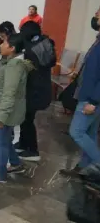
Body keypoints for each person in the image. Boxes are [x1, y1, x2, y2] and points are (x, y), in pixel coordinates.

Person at [0, 34, 33, 182]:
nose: (1, 45)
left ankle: (0, 173)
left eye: (4, 43)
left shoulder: (14, 67)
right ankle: (16, 163)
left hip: (6, 112)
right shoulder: (9, 62)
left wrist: (1, 117)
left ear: (12, 48)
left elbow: (9, 93)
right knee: (4, 139)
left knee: (1, 142)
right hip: (8, 110)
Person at [60, 10, 100, 177]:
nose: (96, 17)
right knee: (89, 133)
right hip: (88, 94)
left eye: (99, 15)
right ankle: (85, 167)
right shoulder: (98, 40)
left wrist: (94, 101)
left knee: (76, 132)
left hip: (92, 98)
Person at [15, 20, 56, 161]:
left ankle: (32, 151)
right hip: (39, 87)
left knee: (27, 119)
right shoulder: (44, 43)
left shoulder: (33, 48)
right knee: (26, 117)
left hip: (35, 89)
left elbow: (29, 66)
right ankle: (23, 143)